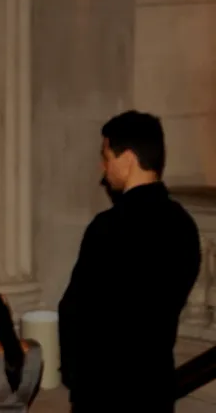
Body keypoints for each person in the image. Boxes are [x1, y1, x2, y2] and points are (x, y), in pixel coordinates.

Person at [58, 110, 202, 413]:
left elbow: (75, 310)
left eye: (106, 156)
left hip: (104, 392)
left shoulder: (108, 227)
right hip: (154, 388)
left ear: (128, 159)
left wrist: (76, 378)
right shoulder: (184, 226)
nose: (103, 167)